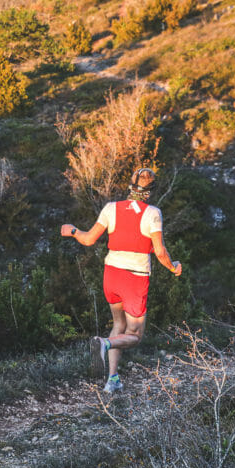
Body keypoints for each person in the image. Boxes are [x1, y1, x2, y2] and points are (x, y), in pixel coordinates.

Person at [60, 168, 182, 393]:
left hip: (111, 274)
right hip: (134, 278)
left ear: (130, 187)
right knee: (134, 335)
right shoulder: (153, 213)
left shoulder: (110, 208)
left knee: (118, 324)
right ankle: (104, 344)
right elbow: (160, 251)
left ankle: (112, 380)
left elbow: (88, 239)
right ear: (151, 191)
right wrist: (174, 267)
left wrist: (73, 231)